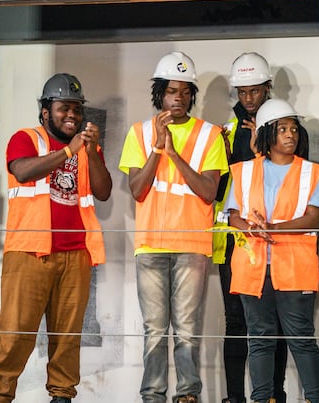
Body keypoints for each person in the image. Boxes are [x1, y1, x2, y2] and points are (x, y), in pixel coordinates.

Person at [0, 73, 112, 403]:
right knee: (15, 336)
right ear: (46, 111)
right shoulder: (25, 138)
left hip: (76, 256)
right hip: (30, 254)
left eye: (76, 109)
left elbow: (103, 191)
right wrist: (68, 152)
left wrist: (91, 152)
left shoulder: (87, 148)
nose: (71, 115)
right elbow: (23, 171)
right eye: (63, 109)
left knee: (67, 339)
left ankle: (61, 396)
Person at [118, 52, 228, 403]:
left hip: (192, 246)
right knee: (153, 330)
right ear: (159, 95)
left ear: (191, 95)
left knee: (186, 329)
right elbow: (138, 190)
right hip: (150, 246)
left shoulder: (210, 135)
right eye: (171, 91)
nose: (178, 98)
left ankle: (187, 394)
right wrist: (157, 149)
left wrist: (175, 154)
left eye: (184, 92)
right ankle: (152, 395)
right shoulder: (140, 132)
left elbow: (209, 193)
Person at [225, 99, 319, 403]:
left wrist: (272, 229)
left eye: (294, 129)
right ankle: (262, 399)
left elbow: (312, 217)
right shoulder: (243, 171)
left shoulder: (313, 172)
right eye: (282, 129)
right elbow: (233, 216)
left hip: (295, 267)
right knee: (259, 340)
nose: (290, 135)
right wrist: (250, 227)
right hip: (253, 267)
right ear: (268, 134)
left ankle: (315, 398)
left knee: (301, 340)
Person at [214, 53, 288, 403]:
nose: (247, 99)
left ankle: (274, 394)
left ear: (267, 88)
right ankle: (234, 397)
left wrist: (261, 149)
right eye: (242, 92)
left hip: (275, 239)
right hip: (236, 239)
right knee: (236, 322)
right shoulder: (225, 131)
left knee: (274, 323)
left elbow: (288, 181)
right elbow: (219, 189)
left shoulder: (287, 130)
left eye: (254, 91)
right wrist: (230, 156)